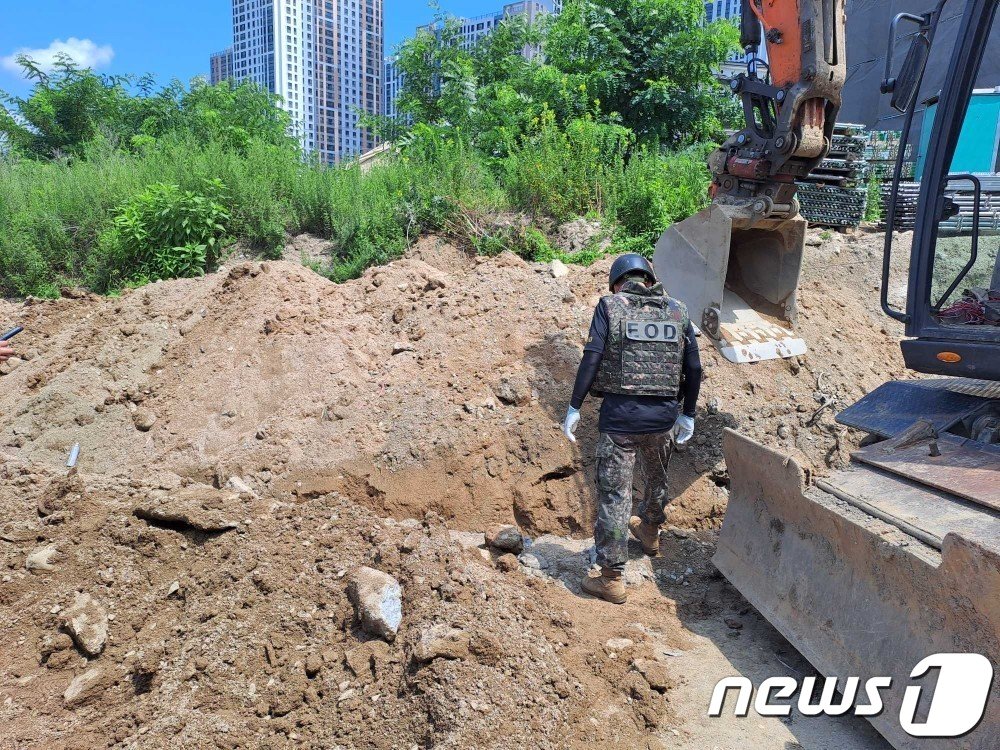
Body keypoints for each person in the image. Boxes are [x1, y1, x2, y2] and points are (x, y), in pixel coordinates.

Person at [562, 253, 702, 604]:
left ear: (617, 283)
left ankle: (611, 578)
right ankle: (651, 532)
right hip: (663, 420)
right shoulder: (678, 310)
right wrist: (688, 414)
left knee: (615, 494)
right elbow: (695, 368)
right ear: (649, 281)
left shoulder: (610, 306)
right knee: (656, 478)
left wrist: (574, 405)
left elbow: (592, 355)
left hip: (620, 421)